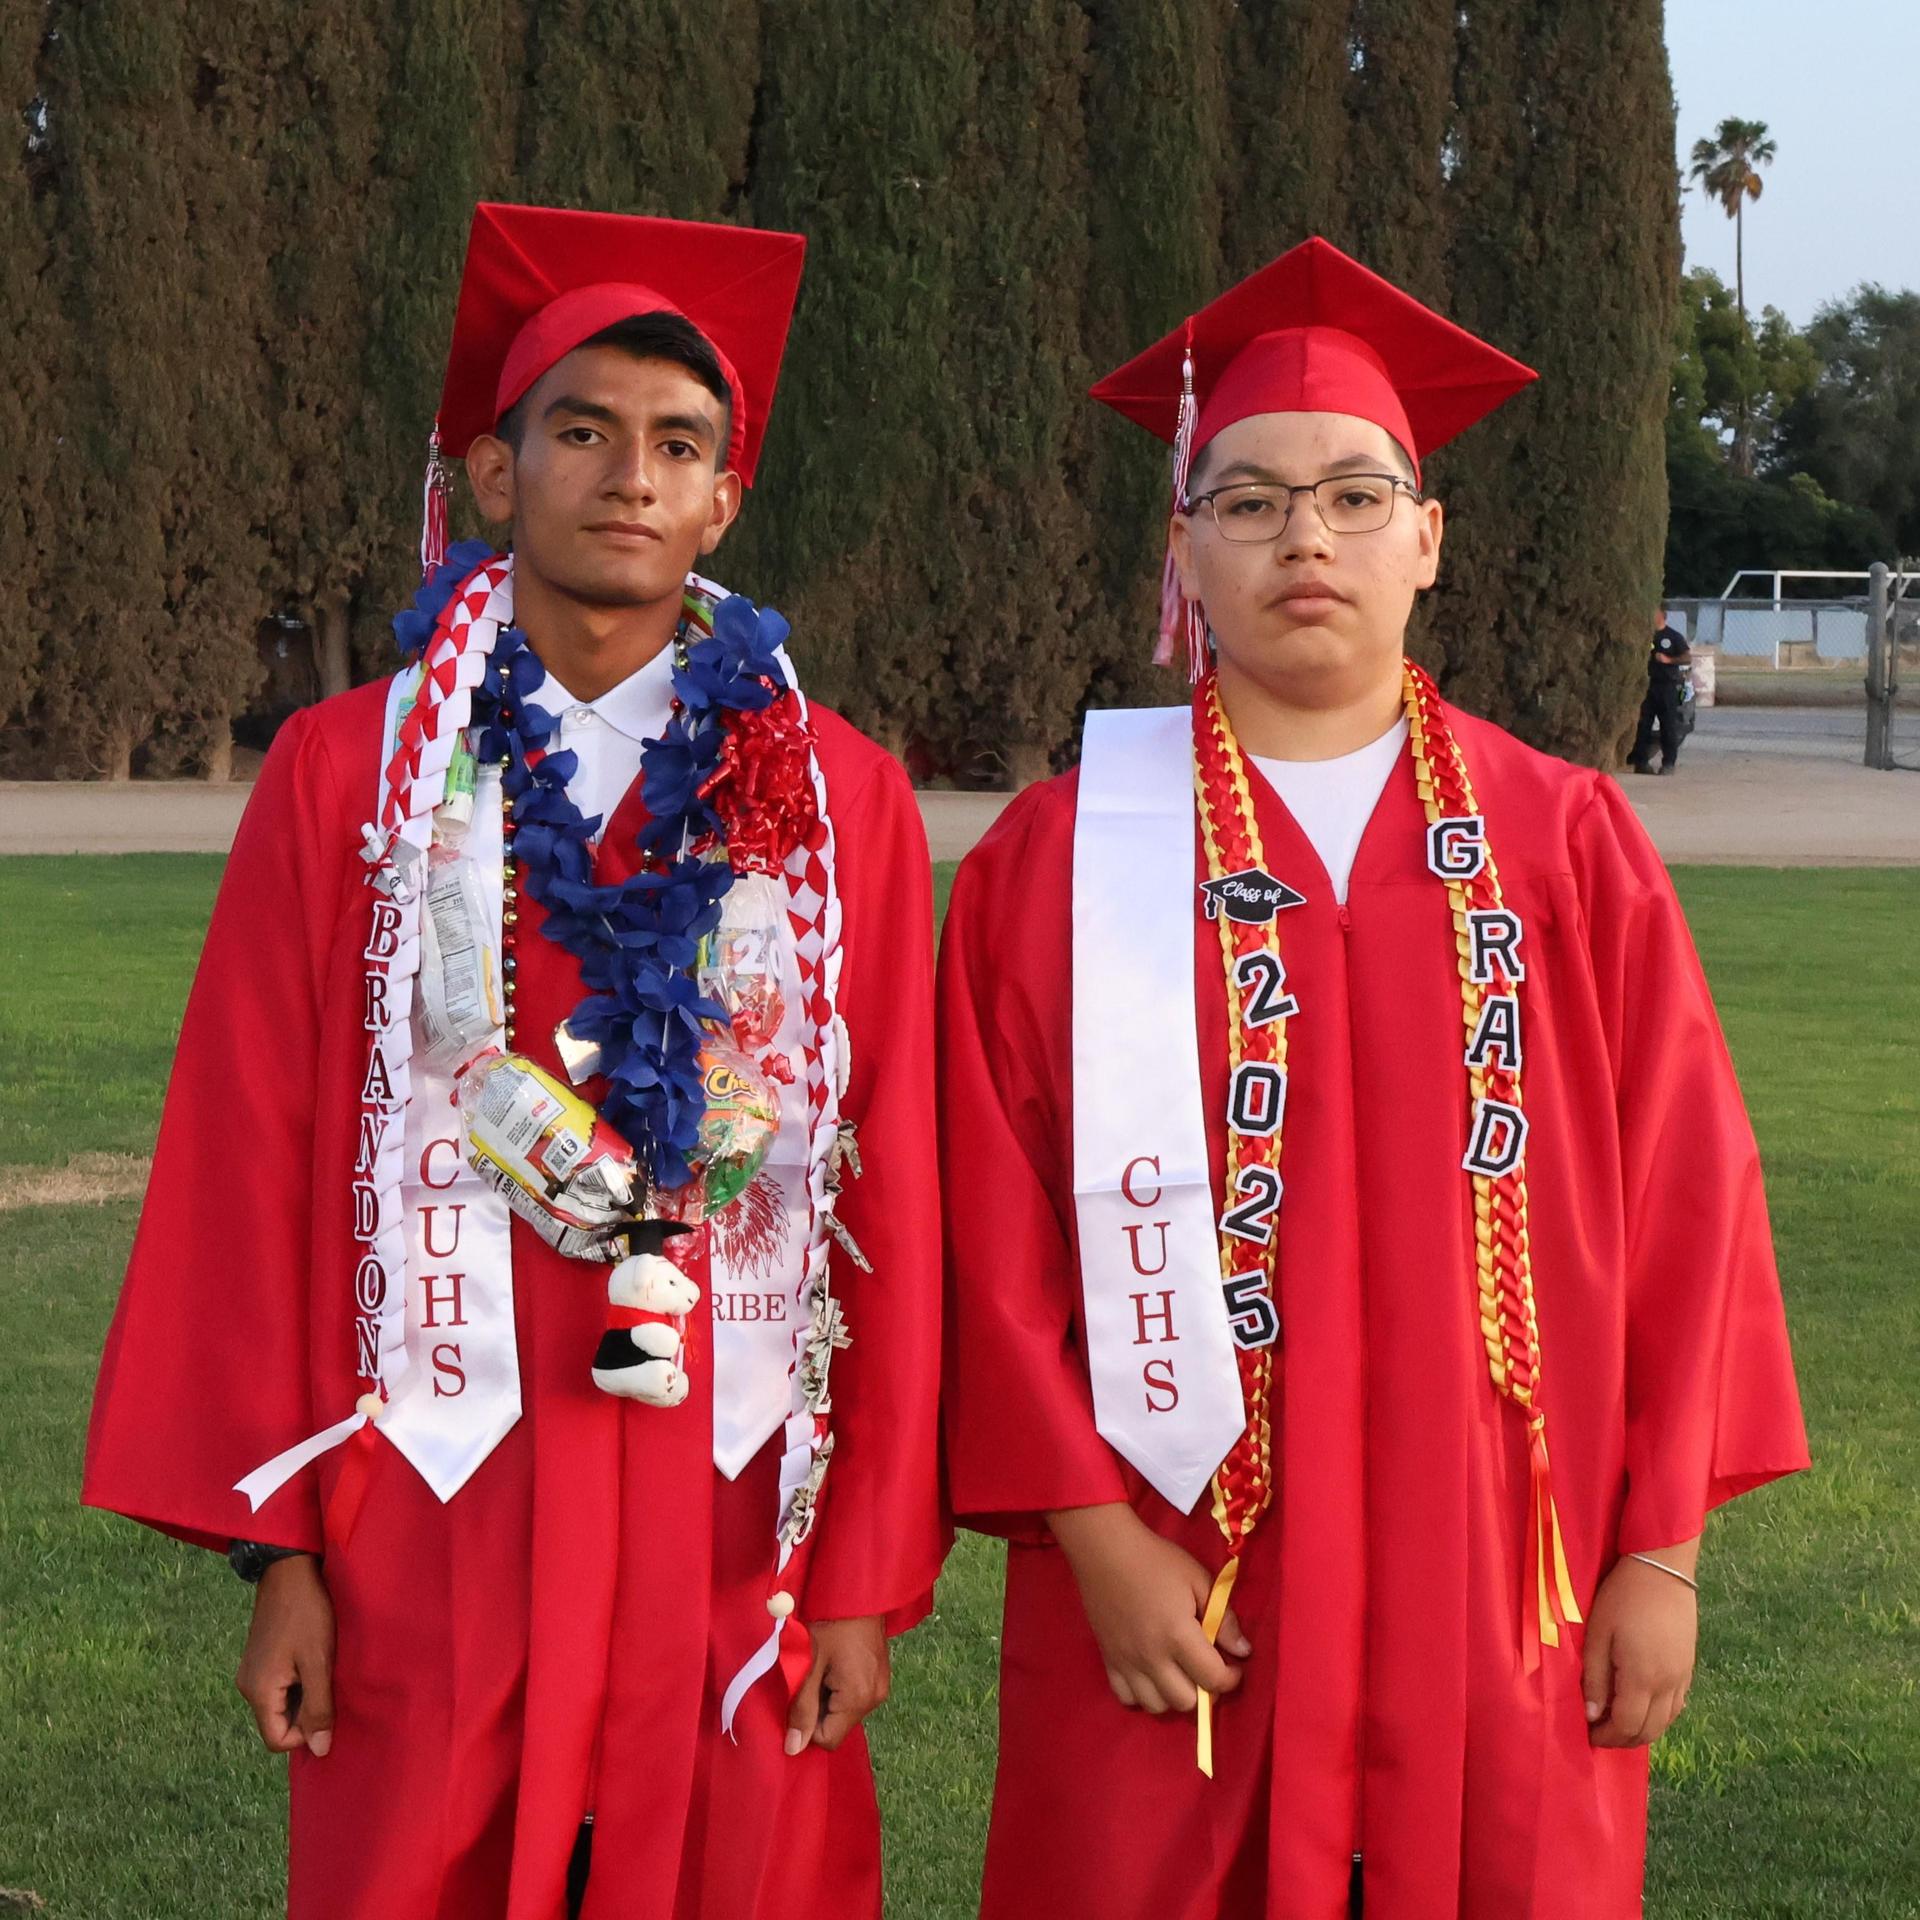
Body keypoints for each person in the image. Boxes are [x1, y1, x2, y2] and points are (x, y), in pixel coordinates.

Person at [84, 202, 945, 1920]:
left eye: (677, 445)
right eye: (582, 432)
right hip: (428, 1498)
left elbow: (892, 1189)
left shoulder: (838, 802)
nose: (630, 476)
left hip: (731, 1499)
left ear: (725, 500)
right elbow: (246, 1154)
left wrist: (860, 1571)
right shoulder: (353, 779)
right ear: (494, 473)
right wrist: (286, 1557)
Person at [938, 237, 1807, 1919]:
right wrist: (1089, 1540)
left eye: (1352, 494)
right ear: (1184, 546)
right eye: (1249, 500)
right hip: (1174, 1568)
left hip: (1503, 1571)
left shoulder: (1564, 840)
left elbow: (1689, 1199)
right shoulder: (1067, 854)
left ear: (1428, 538)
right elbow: (983, 1220)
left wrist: (1661, 1553)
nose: (1304, 538)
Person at [1629, 608, 1692, 774]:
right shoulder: (1645, 635)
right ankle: (1641, 762)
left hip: (1667, 687)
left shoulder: (1673, 636)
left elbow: (1687, 656)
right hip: (1647, 686)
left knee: (1668, 726)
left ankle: (1668, 763)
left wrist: (1668, 659)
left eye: (1655, 613)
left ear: (1663, 615)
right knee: (1643, 725)